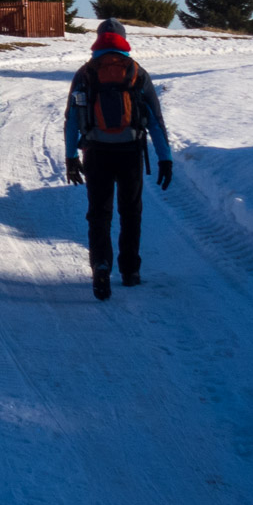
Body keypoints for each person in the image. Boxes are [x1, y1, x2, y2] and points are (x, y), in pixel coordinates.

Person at [63, 18, 173, 299]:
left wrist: (71, 155)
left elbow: (72, 118)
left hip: (96, 152)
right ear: (123, 40)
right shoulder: (137, 72)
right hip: (130, 151)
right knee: (131, 211)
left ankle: (101, 265)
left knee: (99, 213)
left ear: (98, 40)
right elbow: (155, 121)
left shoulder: (86, 73)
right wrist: (165, 158)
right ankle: (130, 271)